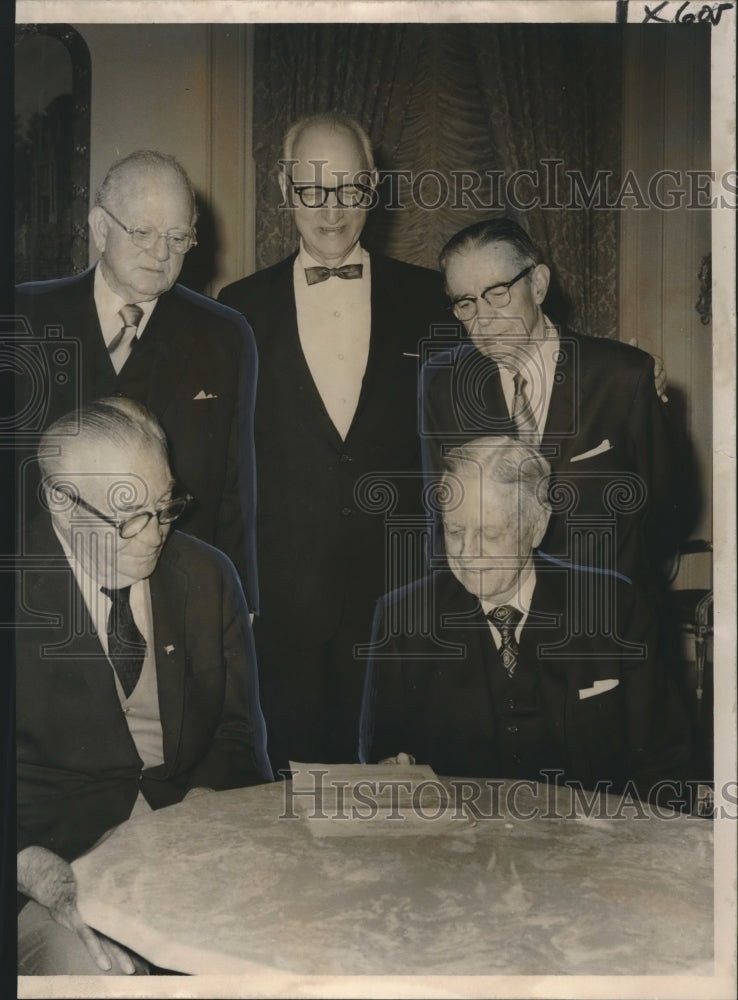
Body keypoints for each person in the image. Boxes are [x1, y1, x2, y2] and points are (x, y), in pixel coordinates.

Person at [218, 112, 447, 772]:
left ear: (373, 189)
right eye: (313, 190)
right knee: (288, 807)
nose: (331, 210)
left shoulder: (430, 300)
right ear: (285, 191)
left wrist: (623, 368)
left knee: (396, 807)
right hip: (282, 610)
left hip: (399, 600)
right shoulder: (237, 309)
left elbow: (509, 363)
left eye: (348, 189)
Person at [16, 398, 273, 976]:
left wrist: (197, 819)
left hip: (189, 844)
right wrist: (45, 877)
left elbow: (236, 734)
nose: (156, 535)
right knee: (106, 979)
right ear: (60, 501)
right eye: (131, 516)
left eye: (165, 508)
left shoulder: (207, 576)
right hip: (53, 870)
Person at [359, 437, 693, 803]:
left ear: (537, 526)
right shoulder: (402, 618)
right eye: (455, 531)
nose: (468, 553)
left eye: (489, 533)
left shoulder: (616, 608)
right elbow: (383, 754)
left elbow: (665, 764)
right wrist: (391, 767)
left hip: (592, 846)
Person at [15, 150, 259, 611]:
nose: (162, 253)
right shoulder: (24, 317)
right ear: (101, 228)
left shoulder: (224, 335)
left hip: (176, 595)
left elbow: (234, 487)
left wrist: (235, 597)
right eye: (143, 232)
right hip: (43, 596)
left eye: (178, 237)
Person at [420, 218, 682, 589]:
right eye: (466, 302)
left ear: (538, 284)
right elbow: (443, 516)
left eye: (497, 292)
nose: (483, 319)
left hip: (601, 618)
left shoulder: (624, 376)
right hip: (496, 623)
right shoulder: (445, 387)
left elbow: (663, 506)